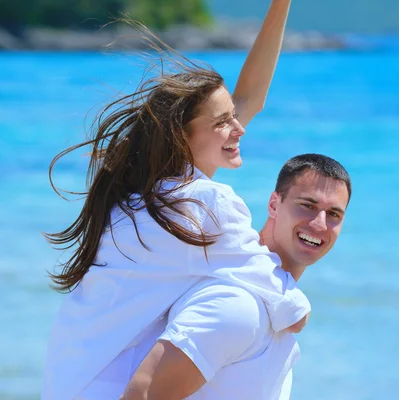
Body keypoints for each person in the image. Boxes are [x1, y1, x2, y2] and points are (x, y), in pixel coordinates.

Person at [41, 2, 310, 400]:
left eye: (233, 117)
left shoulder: (141, 193)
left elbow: (250, 98)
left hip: (69, 383)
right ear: (182, 137)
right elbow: (291, 313)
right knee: (250, 315)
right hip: (111, 392)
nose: (239, 127)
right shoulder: (203, 205)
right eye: (223, 122)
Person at [119, 154, 352, 399]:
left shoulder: (276, 306)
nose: (320, 224)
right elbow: (141, 394)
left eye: (334, 214)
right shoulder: (239, 306)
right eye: (308, 206)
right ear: (274, 204)